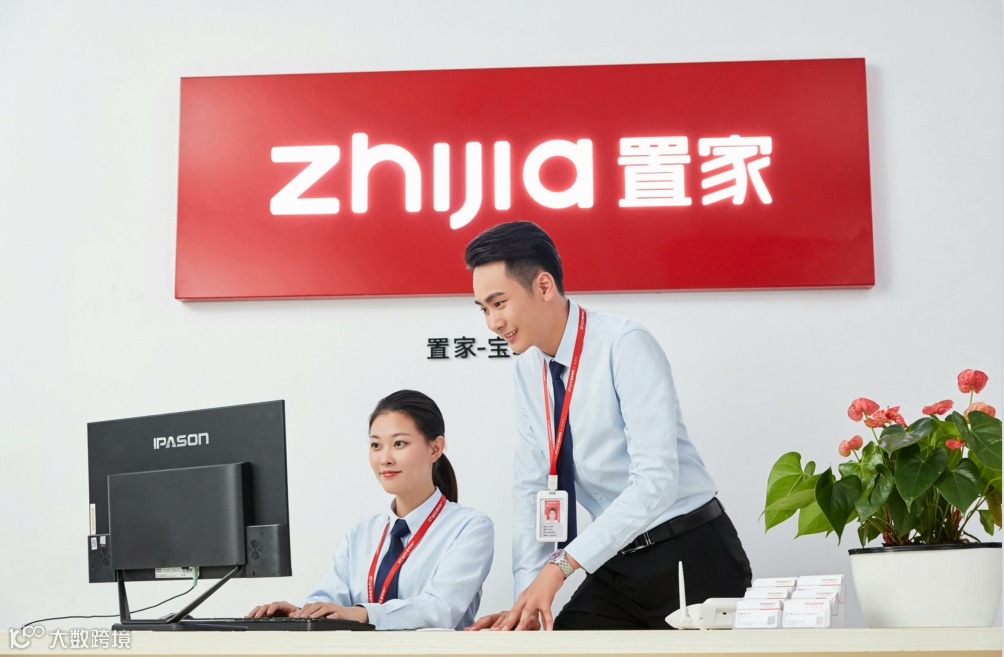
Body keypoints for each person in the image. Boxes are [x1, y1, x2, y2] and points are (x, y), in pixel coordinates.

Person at [463, 221, 751, 631]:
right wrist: (526, 604)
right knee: (559, 647)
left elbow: (655, 481)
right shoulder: (529, 370)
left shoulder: (624, 343)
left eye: (499, 303)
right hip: (616, 559)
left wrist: (561, 566)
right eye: (484, 309)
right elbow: (531, 489)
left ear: (543, 286)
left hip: (690, 550)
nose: (492, 322)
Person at [247, 390, 494, 630]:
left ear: (435, 448)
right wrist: (301, 613)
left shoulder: (469, 527)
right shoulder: (362, 534)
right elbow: (332, 596)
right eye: (376, 445)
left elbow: (441, 609)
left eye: (399, 443)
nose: (385, 459)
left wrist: (364, 614)